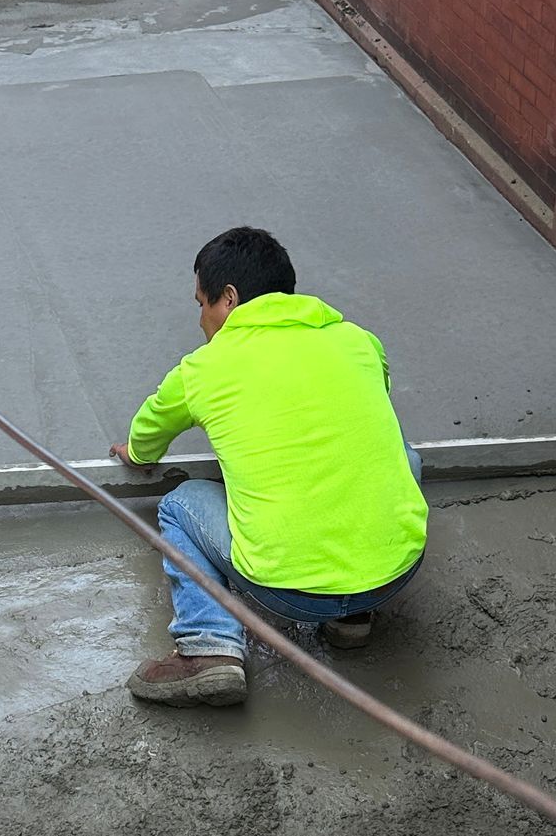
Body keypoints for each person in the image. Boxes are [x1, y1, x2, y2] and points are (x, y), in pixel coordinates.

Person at [112, 226, 427, 707]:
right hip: (395, 572)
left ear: (229, 298)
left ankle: (208, 647)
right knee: (402, 453)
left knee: (179, 505)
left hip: (288, 592)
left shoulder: (203, 369)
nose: (200, 319)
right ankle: (352, 620)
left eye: (202, 303)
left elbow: (147, 439)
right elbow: (373, 401)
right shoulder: (358, 340)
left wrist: (133, 454)